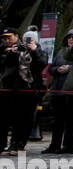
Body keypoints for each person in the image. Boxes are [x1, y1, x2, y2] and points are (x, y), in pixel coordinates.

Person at [1, 27, 47, 155]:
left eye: (31, 39)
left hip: (30, 90)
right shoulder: (14, 50)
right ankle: (12, 145)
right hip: (14, 89)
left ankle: (20, 144)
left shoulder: (39, 51)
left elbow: (42, 64)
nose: (28, 42)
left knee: (25, 119)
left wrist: (33, 50)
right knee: (13, 118)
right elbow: (5, 64)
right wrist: (12, 52)